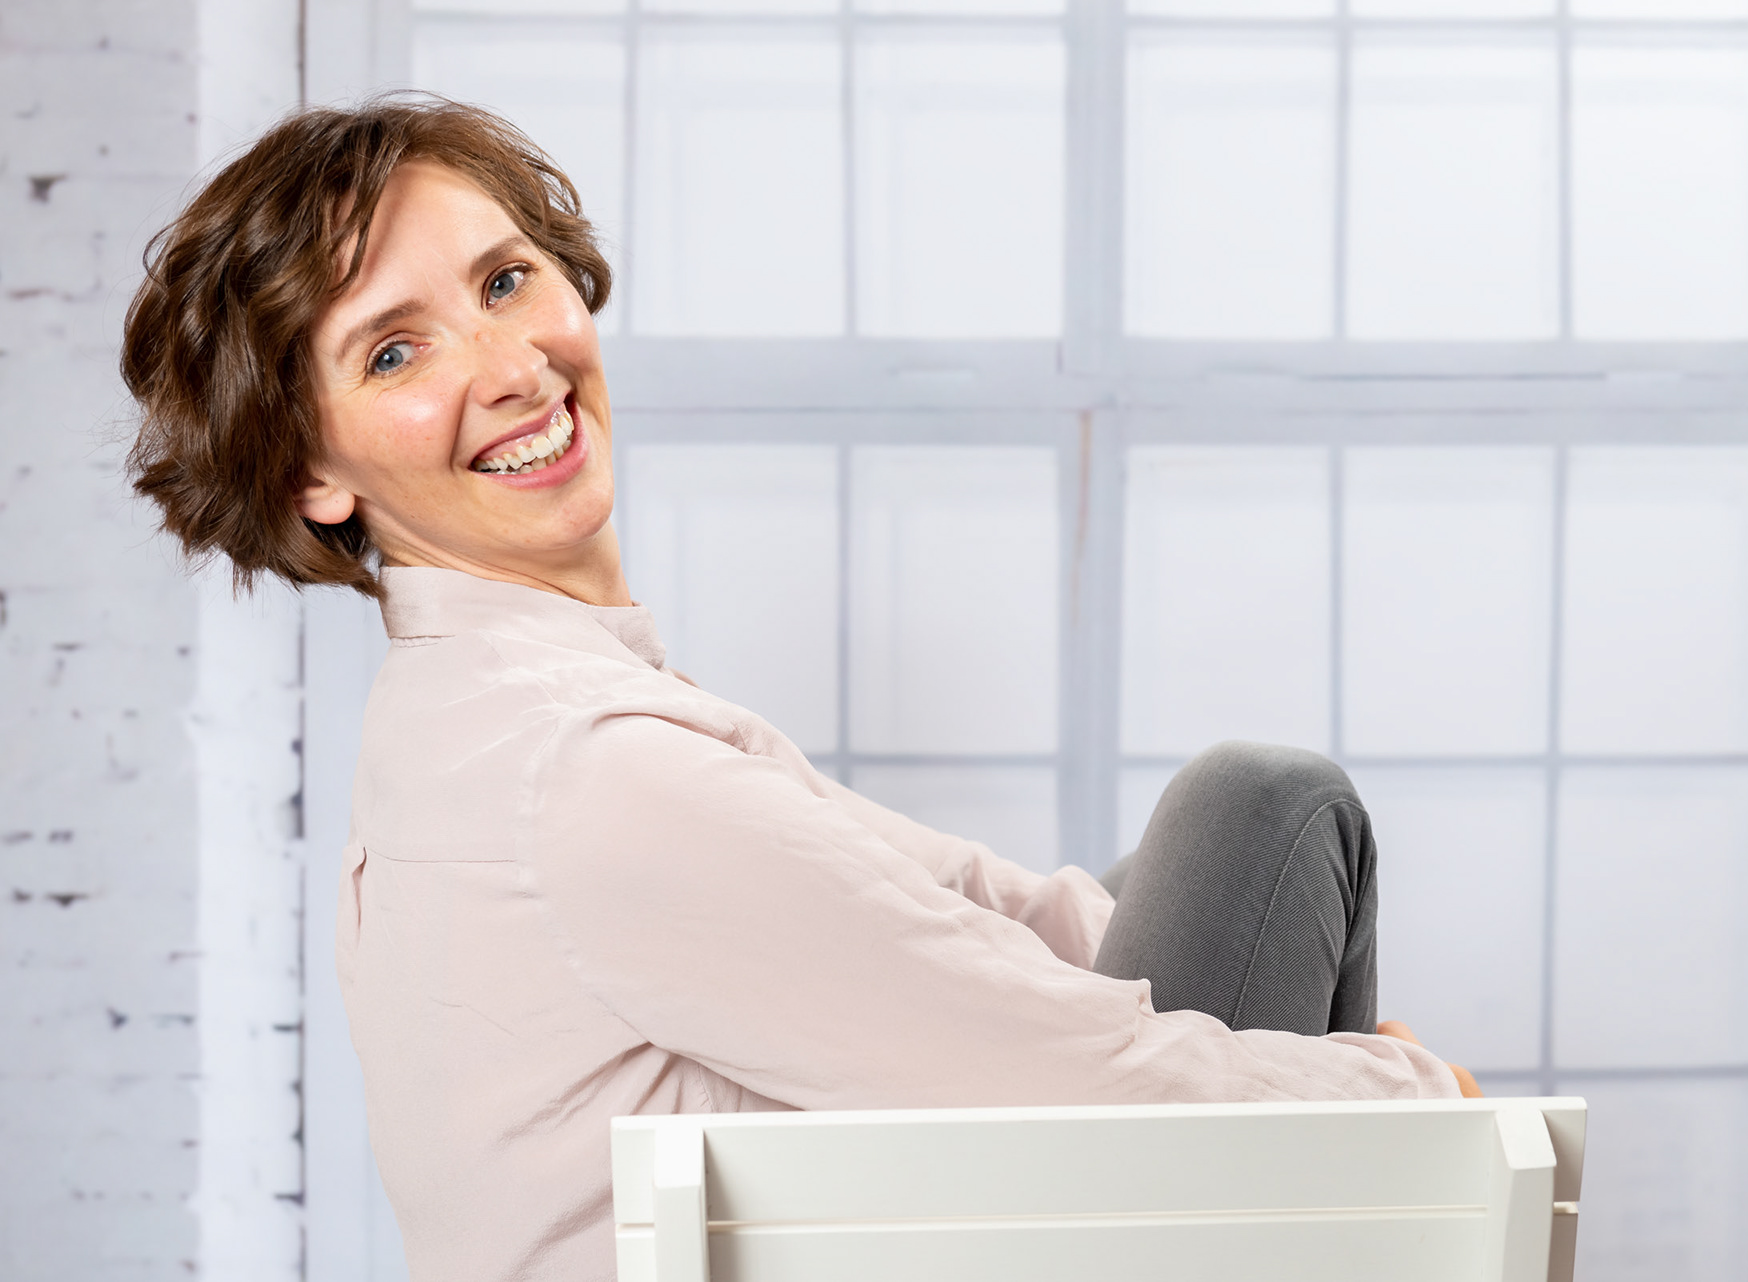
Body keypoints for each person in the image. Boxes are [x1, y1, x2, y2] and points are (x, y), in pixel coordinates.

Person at [122, 97, 1479, 1282]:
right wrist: (1406, 1097)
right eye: (394, 351)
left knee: (1203, 860)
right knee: (1271, 806)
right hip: (987, 1188)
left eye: (506, 280)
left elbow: (956, 899)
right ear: (312, 473)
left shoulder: (490, 712)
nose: (512, 366)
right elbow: (1078, 1086)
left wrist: (1310, 1061)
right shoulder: (584, 774)